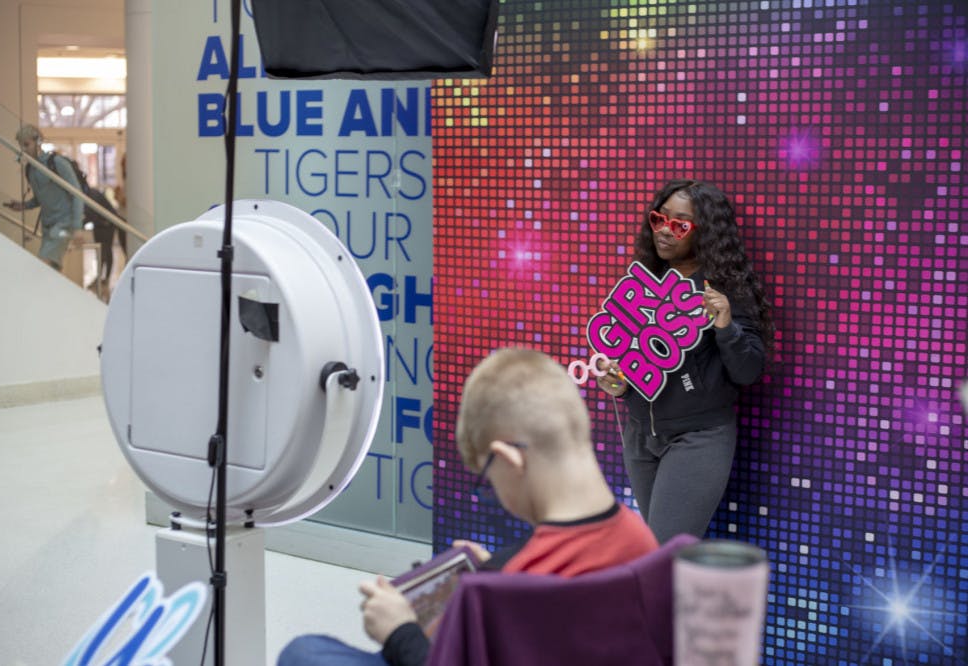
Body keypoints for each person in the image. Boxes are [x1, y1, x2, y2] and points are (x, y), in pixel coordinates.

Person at [278, 347, 660, 666]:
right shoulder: (642, 543)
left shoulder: (511, 594)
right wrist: (497, 566)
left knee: (304, 653)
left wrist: (400, 633)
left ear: (509, 461)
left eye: (487, 480)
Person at [596, 178, 775, 545]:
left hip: (697, 438)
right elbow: (629, 357)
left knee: (661, 555)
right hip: (640, 436)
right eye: (659, 219)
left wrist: (724, 325)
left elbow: (748, 371)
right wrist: (615, 379)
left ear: (704, 233)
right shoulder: (645, 280)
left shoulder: (722, 288)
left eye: (680, 225)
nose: (665, 231)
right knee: (655, 554)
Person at [3, 124, 84, 271]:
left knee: (43, 264)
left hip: (63, 225)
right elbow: (39, 199)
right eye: (21, 145)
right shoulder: (30, 170)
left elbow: (77, 194)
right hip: (47, 227)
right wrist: (23, 205)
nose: (23, 149)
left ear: (38, 142)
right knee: (52, 268)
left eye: (27, 144)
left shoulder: (57, 163)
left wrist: (77, 227)